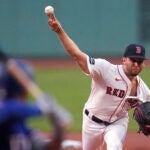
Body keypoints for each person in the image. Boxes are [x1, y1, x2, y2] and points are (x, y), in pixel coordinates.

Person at [47, 13, 150, 150]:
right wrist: (59, 31)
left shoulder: (143, 90)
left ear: (144, 64)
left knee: (114, 146)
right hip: (92, 122)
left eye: (140, 61)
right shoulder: (105, 69)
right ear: (124, 59)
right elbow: (77, 55)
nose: (136, 64)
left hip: (118, 123)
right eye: (133, 60)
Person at [0, 57, 72, 150]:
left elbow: (47, 147)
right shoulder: (6, 112)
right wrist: (40, 109)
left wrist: (59, 130)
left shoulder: (20, 127)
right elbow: (8, 110)